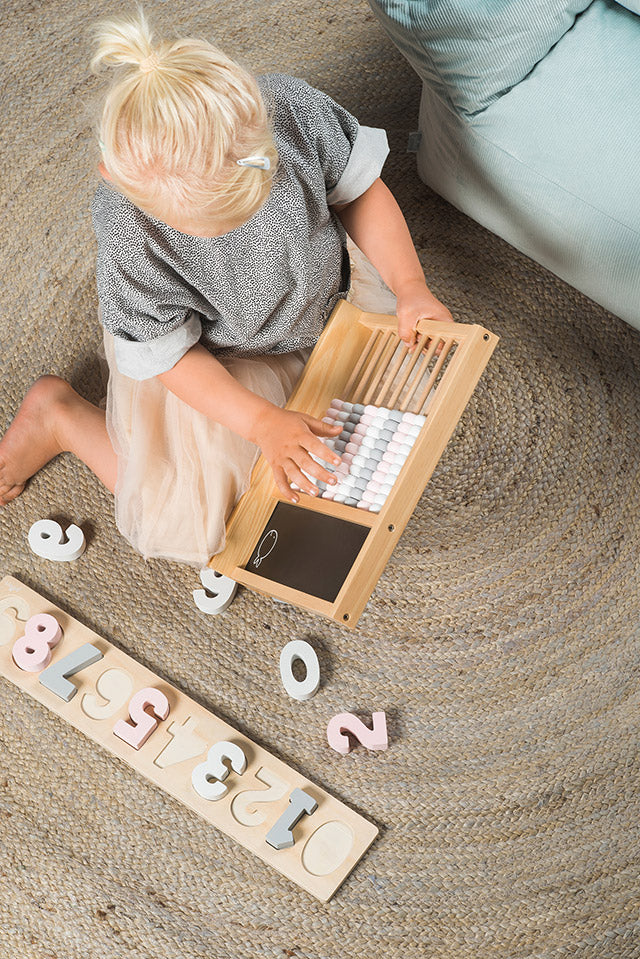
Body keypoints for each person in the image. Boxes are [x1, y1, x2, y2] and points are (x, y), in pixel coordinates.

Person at [0, 9, 453, 566]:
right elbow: (171, 356)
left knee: (392, 428)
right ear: (117, 181)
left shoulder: (290, 110)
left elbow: (358, 193)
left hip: (323, 298)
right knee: (205, 519)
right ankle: (62, 415)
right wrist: (260, 423)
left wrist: (410, 286)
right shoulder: (128, 233)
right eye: (210, 227)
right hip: (215, 362)